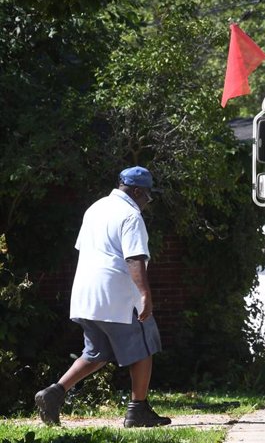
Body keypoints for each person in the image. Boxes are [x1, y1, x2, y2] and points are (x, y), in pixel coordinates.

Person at [34, 166, 171, 428]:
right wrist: (144, 294)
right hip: (117, 295)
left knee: (96, 352)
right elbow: (134, 257)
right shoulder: (130, 215)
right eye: (147, 196)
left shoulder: (94, 208)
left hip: (86, 294)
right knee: (144, 344)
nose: (147, 202)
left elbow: (84, 248)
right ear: (137, 191)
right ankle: (137, 410)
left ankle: (54, 393)